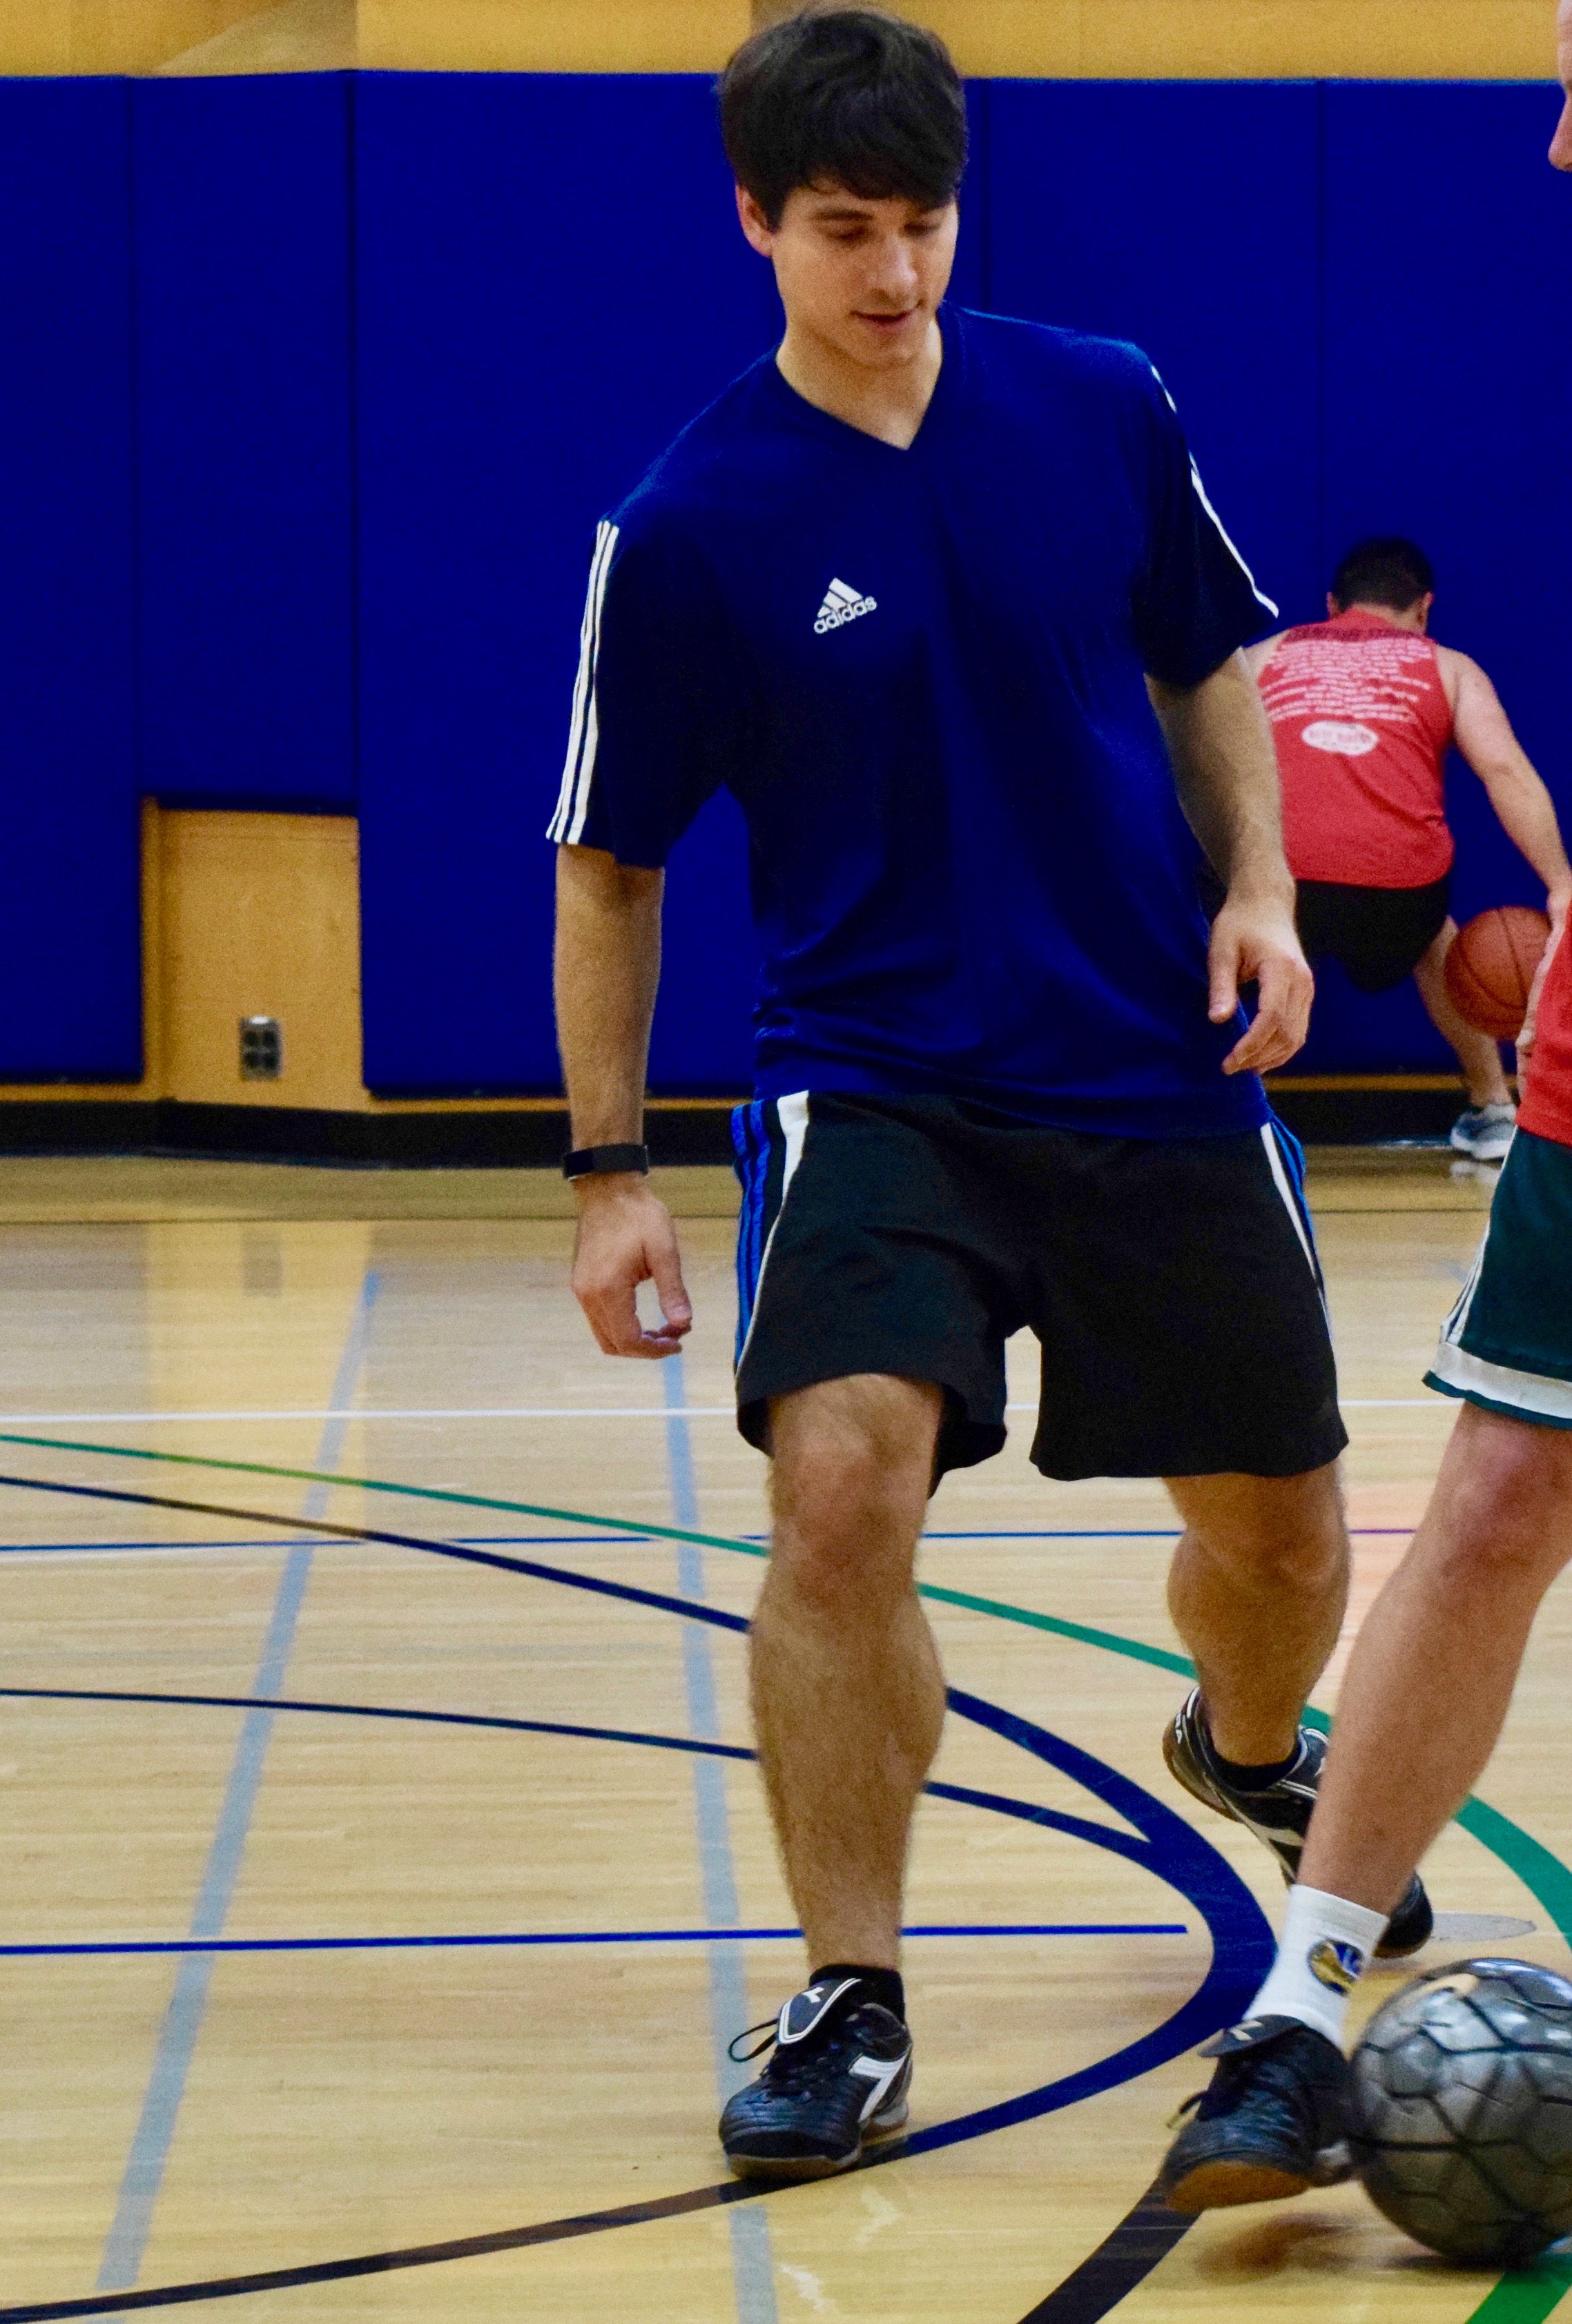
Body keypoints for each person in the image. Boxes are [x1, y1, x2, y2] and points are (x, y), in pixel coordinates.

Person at [551, 6, 1430, 2187]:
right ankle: (853, 1989)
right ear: (752, 219)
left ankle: (1245, 1741)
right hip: (876, 1081)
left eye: (927, 224)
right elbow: (612, 864)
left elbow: (1202, 660)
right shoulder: (686, 525)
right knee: (839, 1495)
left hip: (1153, 1058)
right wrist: (604, 1173)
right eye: (844, 230)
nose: (896, 275)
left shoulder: (1100, 401)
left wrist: (1261, 890)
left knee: (1285, 1535)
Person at [1158, 0, 1572, 2211]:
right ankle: (1302, 2008)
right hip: (1462, 933)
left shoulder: (1350, 646)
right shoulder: (1426, 661)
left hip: (1326, 894)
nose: (1559, 140)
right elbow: (1506, 792)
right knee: (1499, 1488)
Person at [1248, 538, 1571, 1163]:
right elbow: (1504, 771)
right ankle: (1493, 1110)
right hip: (1400, 897)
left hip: (1280, 885)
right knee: (1440, 943)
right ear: (1423, 608)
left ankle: (1223, 1118)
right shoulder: (1448, 665)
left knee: (1234, 939)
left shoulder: (1262, 655)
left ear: (1331, 604)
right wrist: (1560, 883)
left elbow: (1193, 765)